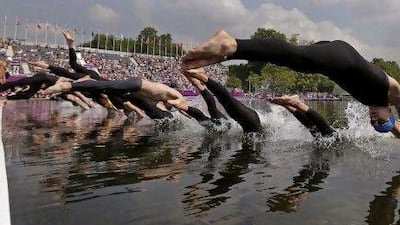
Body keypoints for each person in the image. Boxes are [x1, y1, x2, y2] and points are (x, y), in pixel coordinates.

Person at [181, 30, 400, 135]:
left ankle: (230, 49)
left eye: (374, 124)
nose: (374, 120)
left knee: (296, 61)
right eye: (381, 121)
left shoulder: (369, 102)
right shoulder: (391, 94)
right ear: (390, 113)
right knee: (295, 58)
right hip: (343, 57)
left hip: (329, 61)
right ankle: (231, 46)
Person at [183, 67, 263, 133]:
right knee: (222, 105)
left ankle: (200, 82)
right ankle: (202, 79)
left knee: (217, 109)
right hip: (252, 125)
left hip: (240, 125)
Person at [268, 95, 336, 137]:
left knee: (313, 127)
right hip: (335, 140)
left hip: (327, 140)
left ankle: (286, 104)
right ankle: (296, 103)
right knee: (326, 132)